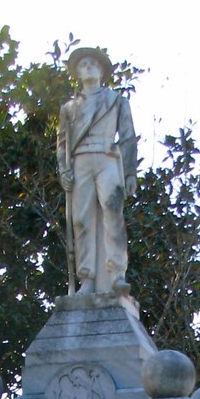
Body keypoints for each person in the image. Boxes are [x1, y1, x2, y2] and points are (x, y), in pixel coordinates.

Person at [57, 46, 138, 296]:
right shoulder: (69, 108)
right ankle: (88, 279)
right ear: (78, 73)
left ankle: (116, 275)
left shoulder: (116, 100)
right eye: (83, 64)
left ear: (101, 71)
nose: (89, 67)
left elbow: (128, 137)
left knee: (112, 213)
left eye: (93, 63)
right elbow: (62, 143)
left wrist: (130, 173)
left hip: (107, 158)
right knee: (81, 220)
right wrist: (63, 170)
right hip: (80, 162)